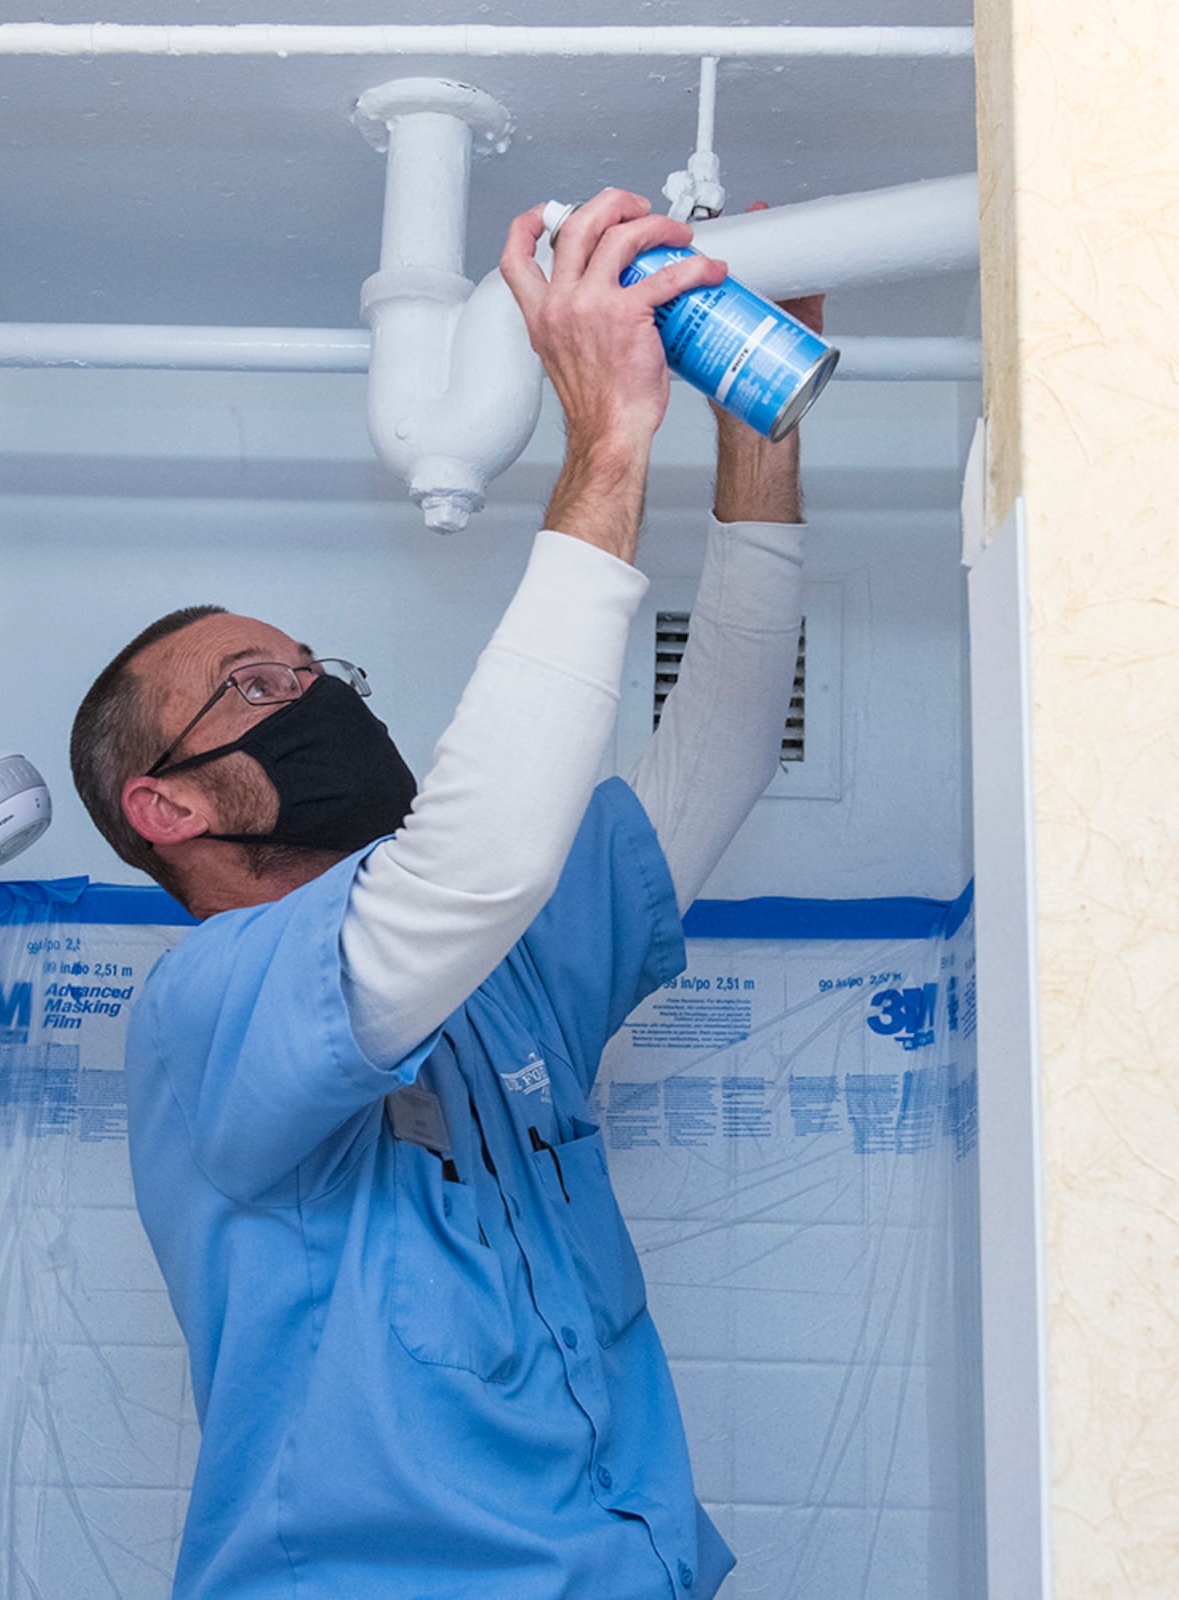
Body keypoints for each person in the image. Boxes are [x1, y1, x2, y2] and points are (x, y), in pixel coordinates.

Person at [69, 189, 812, 1600]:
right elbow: (475, 860)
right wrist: (606, 444)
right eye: (253, 688)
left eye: (310, 669)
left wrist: (757, 414)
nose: (313, 697)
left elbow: (726, 724)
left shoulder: (505, 965)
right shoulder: (205, 1011)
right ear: (163, 807)